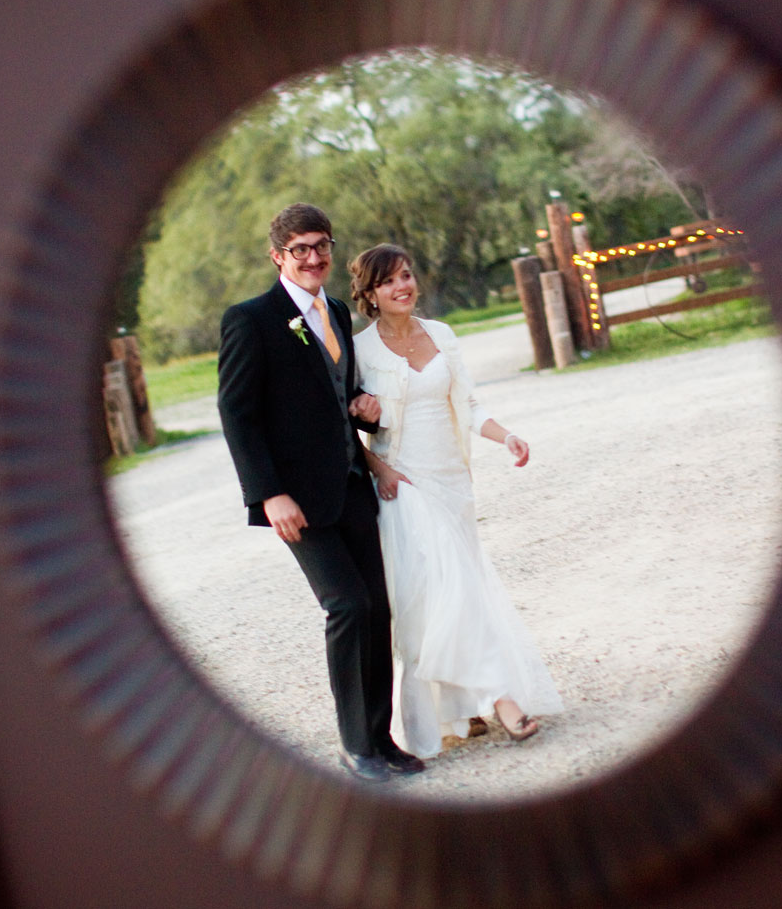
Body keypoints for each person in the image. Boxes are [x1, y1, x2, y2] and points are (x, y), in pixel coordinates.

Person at [216, 204, 425, 783]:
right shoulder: (250, 319)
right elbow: (237, 414)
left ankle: (380, 740)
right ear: (278, 256)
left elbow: (336, 396)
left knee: (376, 608)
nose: (313, 257)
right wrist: (268, 495)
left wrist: (364, 408)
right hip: (297, 501)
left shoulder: (334, 311)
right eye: (300, 249)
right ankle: (355, 747)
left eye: (321, 245)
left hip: (351, 486)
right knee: (347, 606)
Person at [349, 243, 564, 759]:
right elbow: (346, 427)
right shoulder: (359, 351)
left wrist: (506, 436)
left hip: (452, 481)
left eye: (406, 275)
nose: (402, 286)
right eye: (388, 281)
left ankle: (460, 709)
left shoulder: (441, 334)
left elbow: (467, 404)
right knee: (448, 590)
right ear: (370, 294)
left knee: (445, 595)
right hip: (405, 483)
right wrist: (380, 468)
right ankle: (503, 699)